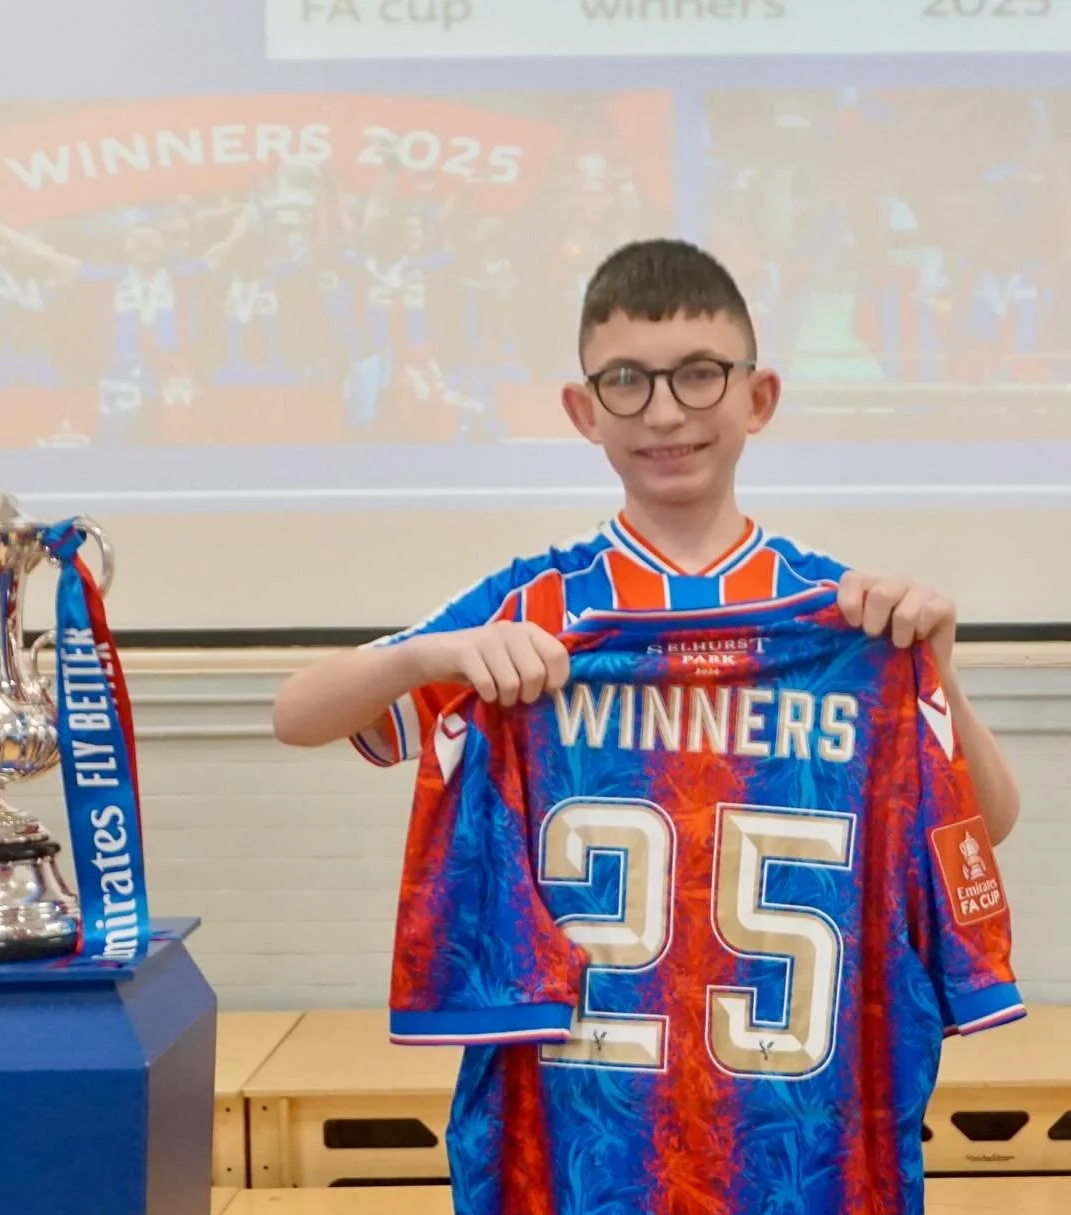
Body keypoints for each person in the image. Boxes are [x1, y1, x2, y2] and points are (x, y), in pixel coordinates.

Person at [272, 237, 1019, 846]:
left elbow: (992, 824)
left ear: (758, 399)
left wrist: (934, 674)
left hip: (785, 1031)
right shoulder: (533, 600)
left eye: (699, 374)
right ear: (583, 411)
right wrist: (429, 654)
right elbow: (296, 717)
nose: (664, 414)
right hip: (565, 1033)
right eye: (626, 380)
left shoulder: (841, 612)